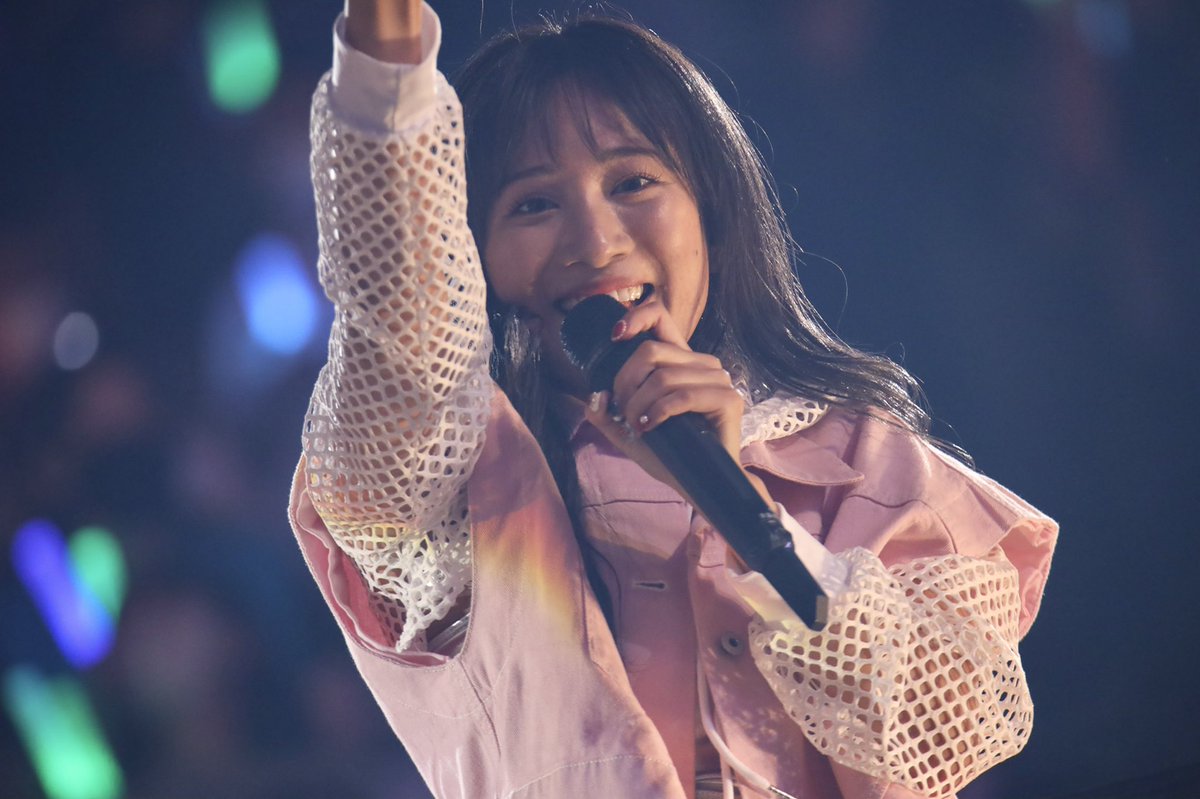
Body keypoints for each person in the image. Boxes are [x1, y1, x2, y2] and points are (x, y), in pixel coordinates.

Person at [286, 1, 1058, 797]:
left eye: (632, 182)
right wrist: (384, 46)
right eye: (534, 204)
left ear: (710, 210)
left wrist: (743, 508)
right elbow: (397, 327)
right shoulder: (457, 487)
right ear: (472, 257)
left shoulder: (867, 461)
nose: (596, 244)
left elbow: (940, 737)